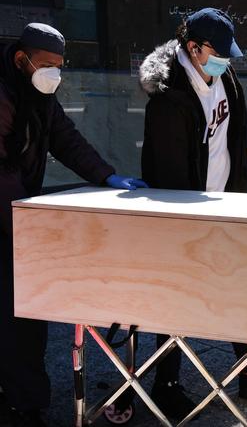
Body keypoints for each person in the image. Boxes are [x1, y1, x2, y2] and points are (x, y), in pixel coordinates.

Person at [139, 7, 247, 419]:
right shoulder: (169, 99)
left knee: (236, 291)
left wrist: (237, 203)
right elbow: (169, 177)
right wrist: (190, 229)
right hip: (185, 216)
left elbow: (232, 143)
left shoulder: (222, 76)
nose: (226, 61)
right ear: (193, 49)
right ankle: (165, 385)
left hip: (224, 205)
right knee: (178, 301)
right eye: (218, 53)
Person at [0, 23, 147, 427]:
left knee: (23, 314)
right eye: (47, 65)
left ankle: (22, 396)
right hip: (9, 214)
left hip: (16, 213)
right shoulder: (3, 93)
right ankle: (23, 403)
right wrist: (23, 223)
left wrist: (108, 176)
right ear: (20, 59)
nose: (55, 74)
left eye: (60, 66)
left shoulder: (38, 94)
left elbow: (66, 140)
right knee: (17, 317)